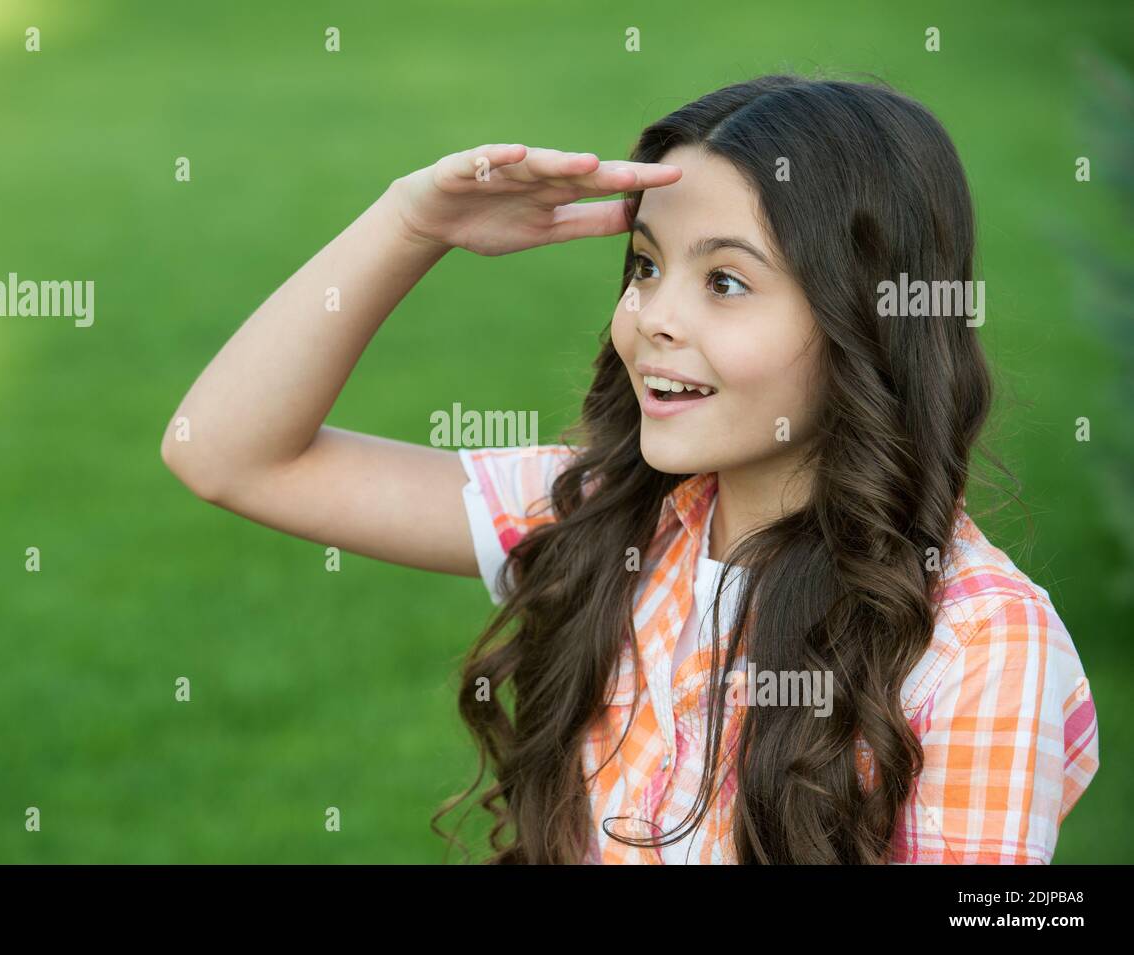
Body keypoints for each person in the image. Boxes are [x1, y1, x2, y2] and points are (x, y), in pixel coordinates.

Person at [162, 74, 1099, 864]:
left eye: (724, 280)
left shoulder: (978, 651)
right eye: (645, 265)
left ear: (867, 324)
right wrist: (413, 222)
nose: (651, 316)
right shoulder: (611, 513)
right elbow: (228, 453)